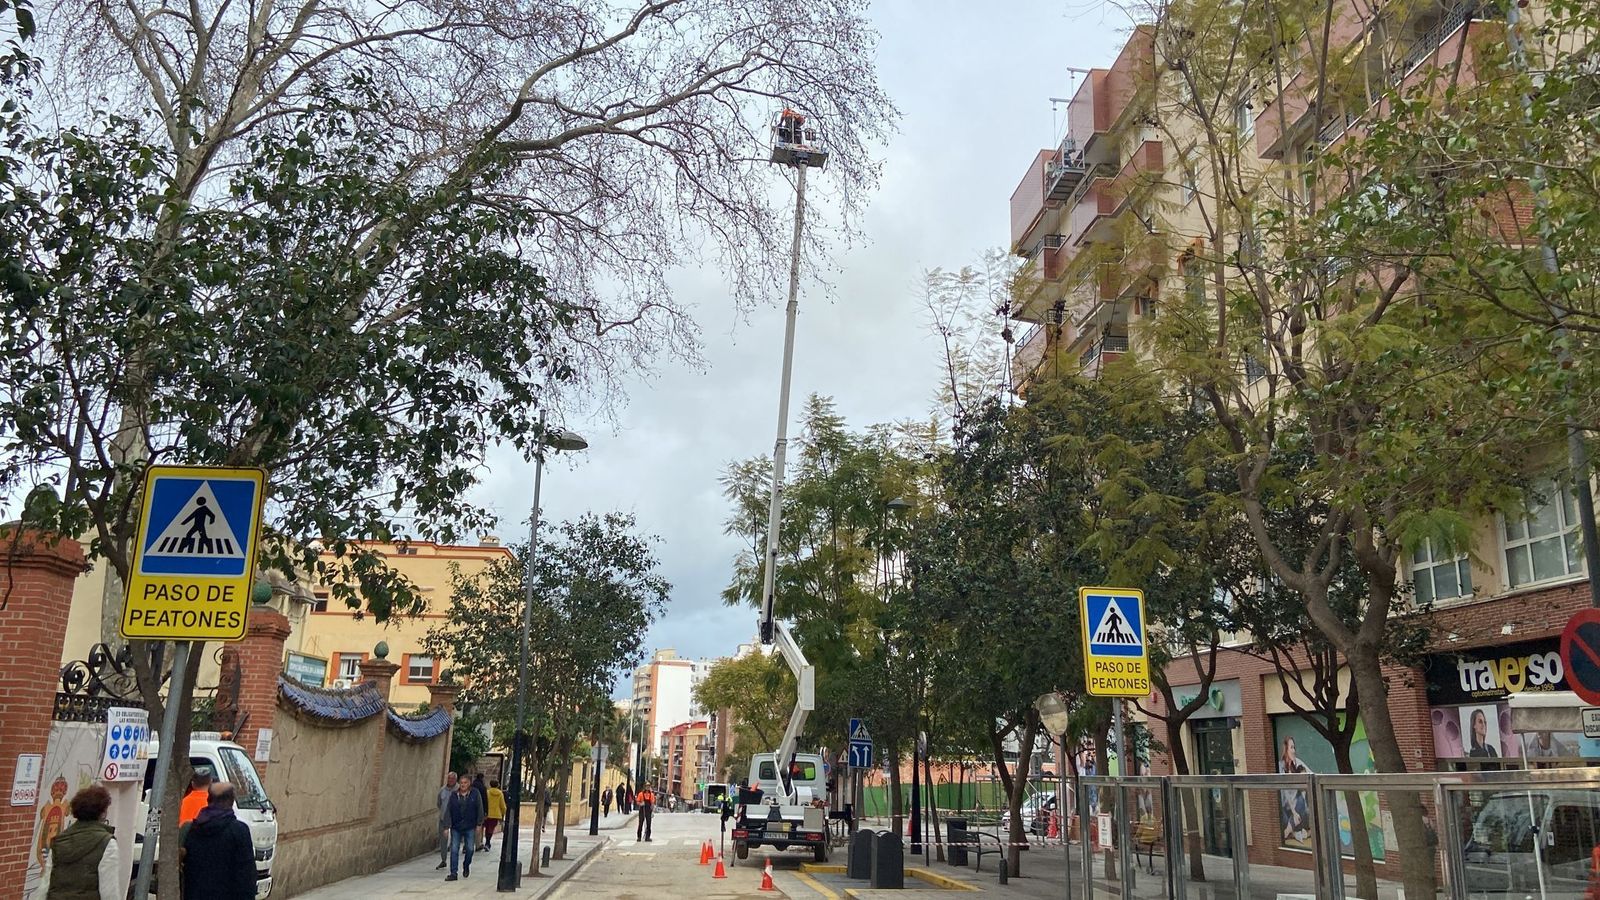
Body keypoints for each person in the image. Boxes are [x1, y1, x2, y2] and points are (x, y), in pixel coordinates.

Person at [37, 785, 119, 900]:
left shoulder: (59, 840)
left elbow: (45, 885)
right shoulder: (107, 843)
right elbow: (109, 892)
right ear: (103, 813)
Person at [181, 782, 258, 900]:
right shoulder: (239, 831)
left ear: (208, 799)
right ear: (232, 801)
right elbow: (246, 875)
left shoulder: (191, 829)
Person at [445, 774, 483, 881]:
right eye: (461, 783)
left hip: (470, 826)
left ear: (469, 783)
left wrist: (479, 824)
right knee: (454, 849)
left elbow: (479, 807)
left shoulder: (475, 794)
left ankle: (466, 865)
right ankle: (453, 873)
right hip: (456, 826)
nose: (463, 785)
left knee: (470, 849)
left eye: (465, 783)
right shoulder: (454, 795)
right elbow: (448, 810)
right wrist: (446, 826)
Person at [1278, 737, 1311, 844]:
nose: (1294, 751)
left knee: (1301, 801)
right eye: (1291, 748)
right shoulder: (1280, 767)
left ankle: (1289, 831)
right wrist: (1293, 812)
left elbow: (1311, 774)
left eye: (1294, 747)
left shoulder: (1297, 763)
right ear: (1286, 750)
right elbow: (1285, 793)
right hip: (1287, 809)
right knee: (1283, 818)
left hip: (1298, 808)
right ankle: (1294, 831)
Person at [436, 771, 456, 870]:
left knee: (454, 840)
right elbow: (439, 803)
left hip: (455, 820)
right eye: (449, 778)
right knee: (443, 840)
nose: (450, 780)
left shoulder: (458, 790)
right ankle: (443, 860)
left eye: (452, 779)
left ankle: (453, 860)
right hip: (443, 819)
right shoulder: (442, 790)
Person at [484, 779, 506, 852]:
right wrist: (503, 812)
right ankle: (487, 842)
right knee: (491, 829)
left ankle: (487, 842)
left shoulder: (487, 792)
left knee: (487, 828)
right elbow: (502, 805)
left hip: (487, 813)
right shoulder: (500, 793)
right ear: (497, 785)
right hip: (496, 814)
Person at [472, 774, 489, 851]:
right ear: (482, 778)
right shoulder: (482, 787)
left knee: (470, 827)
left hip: (470, 808)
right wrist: (486, 811)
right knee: (479, 826)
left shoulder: (471, 786)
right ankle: (478, 844)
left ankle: (467, 845)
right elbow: (485, 800)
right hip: (480, 809)